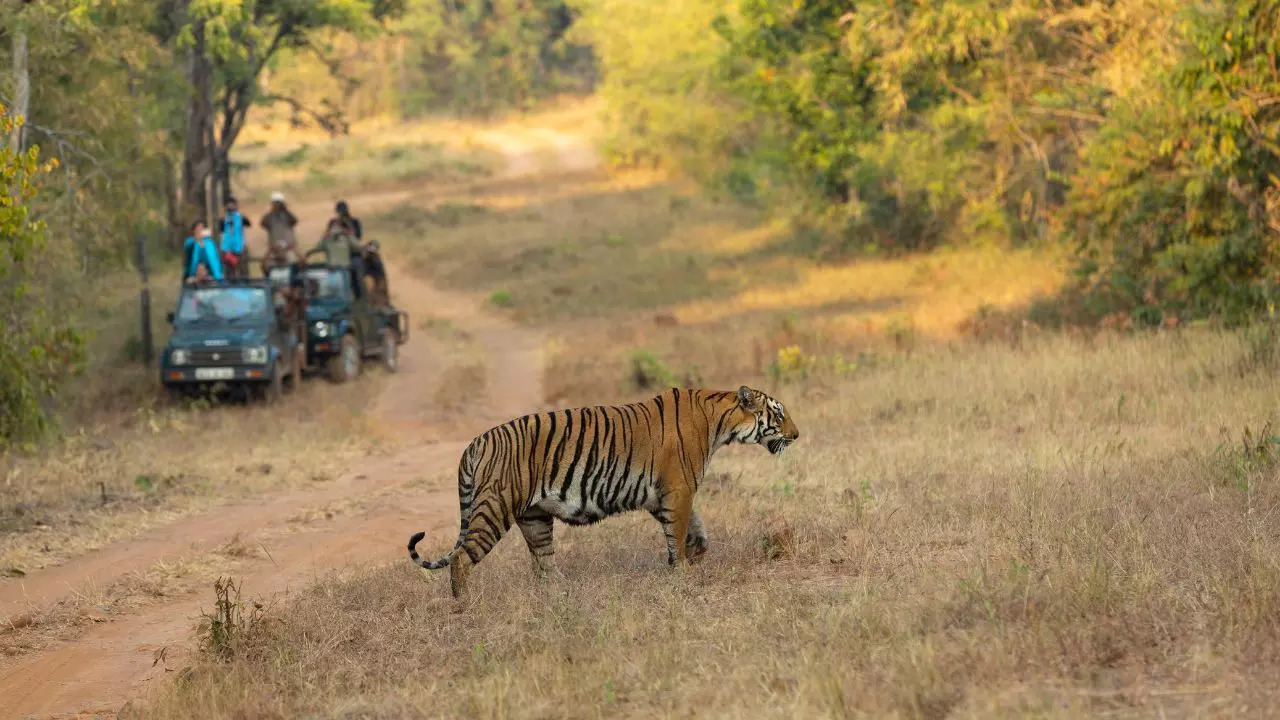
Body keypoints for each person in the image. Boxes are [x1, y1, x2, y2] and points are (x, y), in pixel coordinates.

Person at [260, 191, 300, 268]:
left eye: (278, 203)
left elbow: (294, 221)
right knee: (264, 266)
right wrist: (272, 210)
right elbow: (263, 223)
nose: (277, 205)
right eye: (275, 203)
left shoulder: (287, 215)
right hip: (274, 248)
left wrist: (285, 209)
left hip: (288, 247)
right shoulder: (270, 217)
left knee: (301, 261)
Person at [220, 196, 251, 278]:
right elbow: (221, 231)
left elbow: (248, 223)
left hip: (239, 248)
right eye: (228, 205)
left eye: (232, 205)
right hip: (227, 249)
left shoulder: (240, 217)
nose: (230, 207)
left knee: (242, 269)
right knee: (228, 270)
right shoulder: (223, 219)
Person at [363, 239, 390, 307]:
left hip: (378, 278)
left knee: (379, 296)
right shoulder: (371, 256)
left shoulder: (373, 256)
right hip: (376, 278)